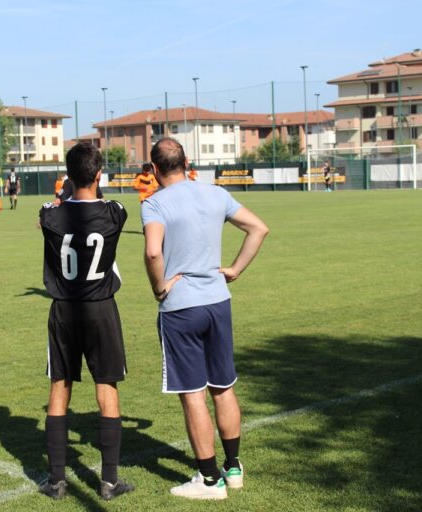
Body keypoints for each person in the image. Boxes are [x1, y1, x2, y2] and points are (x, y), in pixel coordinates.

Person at [142, 138, 268, 500]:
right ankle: (233, 468)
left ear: (154, 170)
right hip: (218, 302)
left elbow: (153, 252)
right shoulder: (216, 193)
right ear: (187, 162)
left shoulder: (154, 203)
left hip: (181, 307)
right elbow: (258, 228)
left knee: (193, 393)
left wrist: (159, 287)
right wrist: (236, 269)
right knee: (223, 387)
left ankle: (210, 480)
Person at [38, 142, 134, 501]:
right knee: (106, 386)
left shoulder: (49, 215)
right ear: (99, 175)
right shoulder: (115, 213)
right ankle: (109, 481)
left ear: (67, 176)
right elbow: (104, 202)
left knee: (59, 386)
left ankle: (56, 480)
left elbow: (53, 209)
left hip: (64, 309)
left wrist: (67, 191)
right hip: (100, 308)